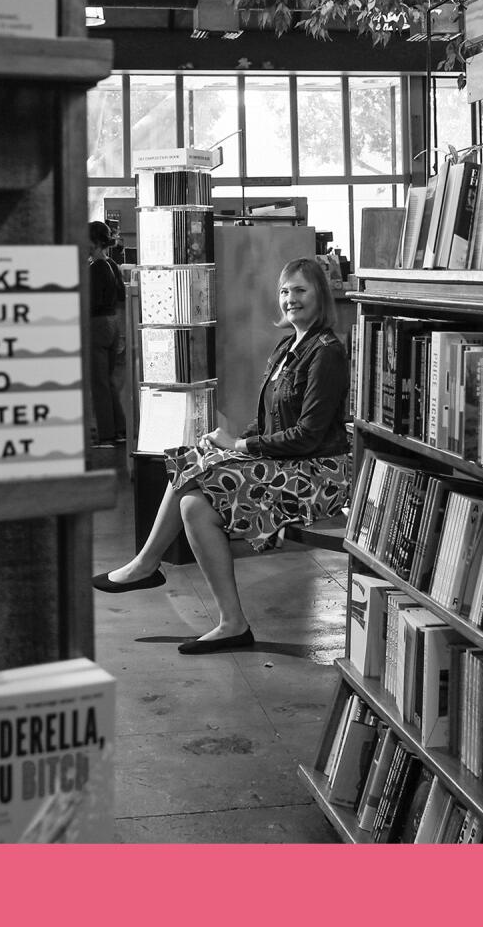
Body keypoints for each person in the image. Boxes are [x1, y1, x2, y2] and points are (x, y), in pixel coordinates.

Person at [92, 257, 351, 653]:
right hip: (288, 462)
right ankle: (229, 621)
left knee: (199, 483)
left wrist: (240, 447)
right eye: (284, 291)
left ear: (320, 295)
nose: (290, 299)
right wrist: (231, 440)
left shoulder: (326, 352)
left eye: (300, 290)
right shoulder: (287, 347)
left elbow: (308, 436)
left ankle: (147, 566)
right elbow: (267, 422)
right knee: (193, 482)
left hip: (319, 474)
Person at [86, 221, 128, 445]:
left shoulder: (94, 269)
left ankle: (105, 433)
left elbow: (89, 303)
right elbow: (121, 296)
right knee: (109, 381)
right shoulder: (112, 265)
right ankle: (119, 428)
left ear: (93, 241)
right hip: (113, 324)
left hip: (97, 325)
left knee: (99, 382)